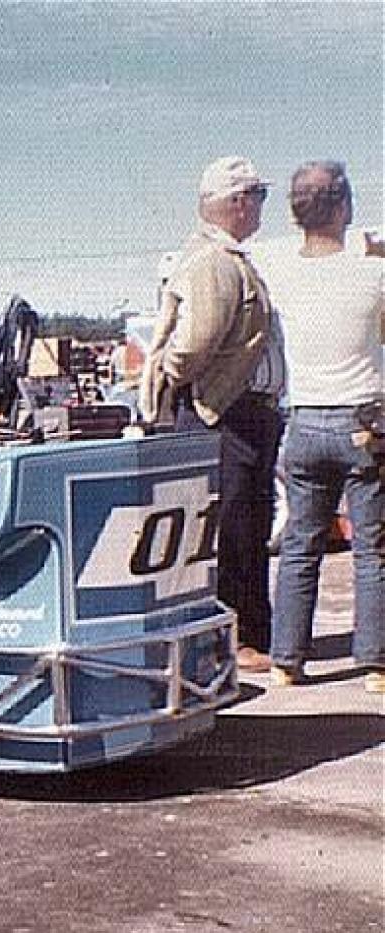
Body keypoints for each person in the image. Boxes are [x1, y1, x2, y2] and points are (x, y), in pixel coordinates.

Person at [143, 157, 284, 672]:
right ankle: (236, 639)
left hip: (238, 414)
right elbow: (195, 340)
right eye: (259, 196)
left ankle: (251, 634)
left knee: (247, 524)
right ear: (239, 202)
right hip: (224, 414)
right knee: (233, 528)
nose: (262, 207)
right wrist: (176, 373)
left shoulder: (223, 258)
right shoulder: (214, 261)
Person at [257, 161, 384, 692]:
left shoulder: (280, 274)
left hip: (304, 421)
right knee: (372, 549)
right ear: (344, 207)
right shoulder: (373, 274)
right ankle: (375, 663)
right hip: (364, 420)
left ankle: (287, 660)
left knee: (300, 547)